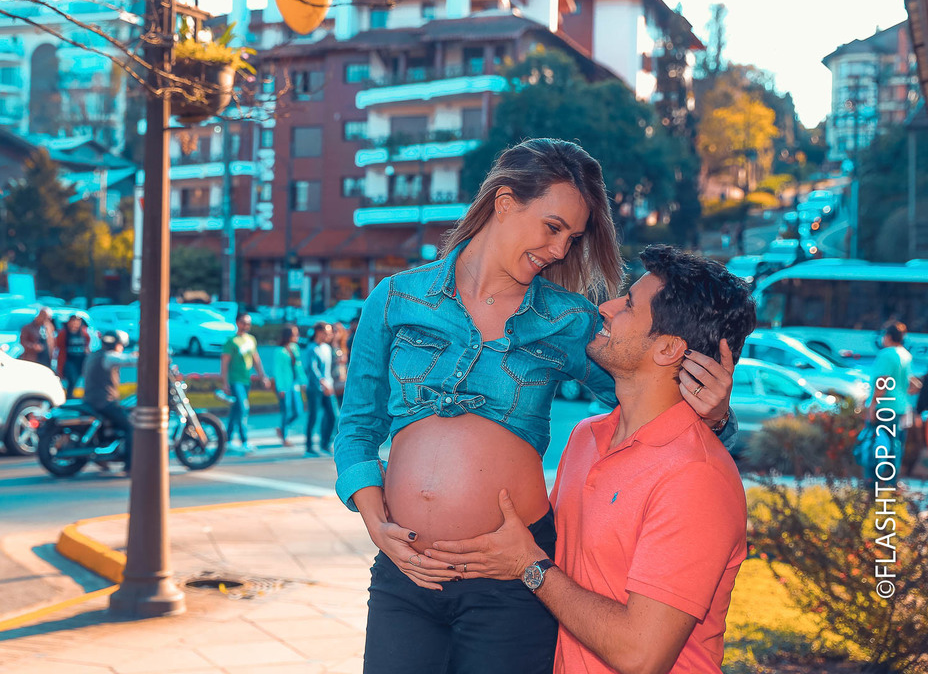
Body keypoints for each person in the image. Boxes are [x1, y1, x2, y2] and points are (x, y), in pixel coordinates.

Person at [333, 139, 737, 674]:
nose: (560, 250)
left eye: (572, 238)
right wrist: (374, 520)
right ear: (504, 202)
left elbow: (648, 386)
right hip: (406, 574)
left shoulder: (570, 320)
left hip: (509, 581)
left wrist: (713, 416)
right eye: (552, 227)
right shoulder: (396, 297)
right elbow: (357, 427)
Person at [427, 246, 755, 674]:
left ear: (668, 349)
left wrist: (530, 566)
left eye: (630, 304)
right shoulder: (587, 437)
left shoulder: (697, 477)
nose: (606, 307)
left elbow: (641, 655)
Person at [863, 320, 914, 480]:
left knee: (875, 443)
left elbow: (881, 384)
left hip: (885, 407)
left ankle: (873, 481)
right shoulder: (906, 354)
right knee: (895, 445)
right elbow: (911, 384)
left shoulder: (886, 354)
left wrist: (872, 407)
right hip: (900, 407)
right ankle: (892, 481)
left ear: (888, 336)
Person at [81, 329, 136, 469]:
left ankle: (105, 457)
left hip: (91, 399)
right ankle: (130, 465)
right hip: (103, 401)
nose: (122, 348)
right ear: (117, 344)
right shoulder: (108, 357)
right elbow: (129, 360)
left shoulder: (94, 355)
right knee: (131, 427)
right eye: (121, 345)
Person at [220, 312, 270, 453]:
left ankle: (227, 439)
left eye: (248, 323)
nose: (246, 325)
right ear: (237, 322)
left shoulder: (251, 339)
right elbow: (224, 363)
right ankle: (244, 440)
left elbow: (256, 359)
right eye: (243, 322)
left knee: (236, 411)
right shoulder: (231, 341)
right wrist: (224, 383)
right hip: (235, 380)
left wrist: (262, 376)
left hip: (245, 380)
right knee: (243, 409)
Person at [305, 321, 338, 457]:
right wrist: (322, 382)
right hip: (315, 389)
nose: (328, 336)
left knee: (334, 415)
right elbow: (311, 369)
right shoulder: (311, 348)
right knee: (313, 417)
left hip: (328, 388)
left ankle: (325, 443)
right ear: (318, 332)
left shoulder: (327, 348)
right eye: (326, 333)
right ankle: (309, 447)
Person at [273, 324, 307, 446]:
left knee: (298, 411)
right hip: (285, 385)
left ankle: (282, 428)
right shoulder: (279, 351)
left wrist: (304, 381)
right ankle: (284, 437)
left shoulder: (295, 348)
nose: (297, 336)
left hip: (295, 384)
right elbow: (278, 371)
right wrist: (281, 388)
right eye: (294, 334)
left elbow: (299, 366)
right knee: (286, 411)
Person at [56, 314, 92, 398]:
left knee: (79, 379)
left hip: (80, 360)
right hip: (69, 360)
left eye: (77, 322)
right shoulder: (64, 333)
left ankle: (74, 396)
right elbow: (58, 345)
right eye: (73, 321)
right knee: (72, 379)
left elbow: (87, 343)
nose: (75, 324)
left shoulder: (83, 332)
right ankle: (68, 397)